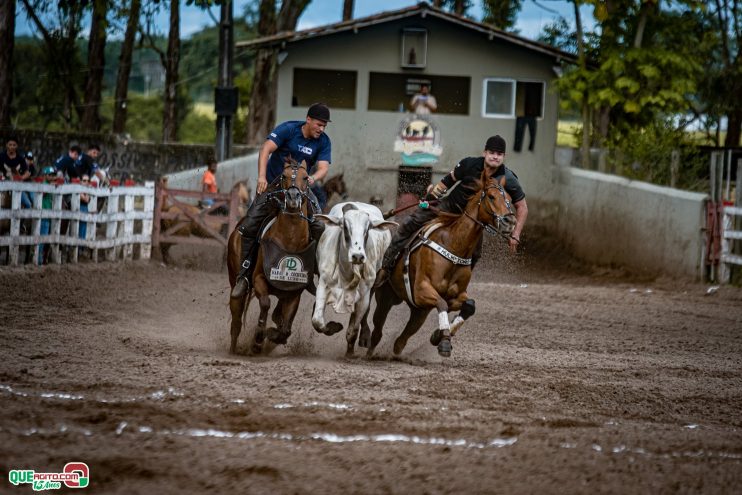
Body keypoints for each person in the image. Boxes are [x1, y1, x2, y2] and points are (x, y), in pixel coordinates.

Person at [374, 135, 528, 287]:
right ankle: (386, 268)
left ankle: (458, 286)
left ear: (504, 157)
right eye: (492, 153)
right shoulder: (468, 164)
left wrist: (516, 233)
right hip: (448, 208)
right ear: (484, 153)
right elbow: (446, 183)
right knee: (409, 224)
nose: (495, 157)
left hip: (473, 222)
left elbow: (522, 207)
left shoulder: (508, 178)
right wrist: (429, 198)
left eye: (499, 154)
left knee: (475, 254)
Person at [230, 103, 332, 299]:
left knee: (319, 226)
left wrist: (314, 178)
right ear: (308, 120)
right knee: (249, 226)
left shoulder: (324, 141)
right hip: (273, 189)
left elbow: (323, 167)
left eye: (324, 126)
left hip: (301, 191)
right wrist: (261, 177)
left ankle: (315, 275)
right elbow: (266, 149)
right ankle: (244, 275)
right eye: (319, 124)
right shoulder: (288, 129)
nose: (321, 129)